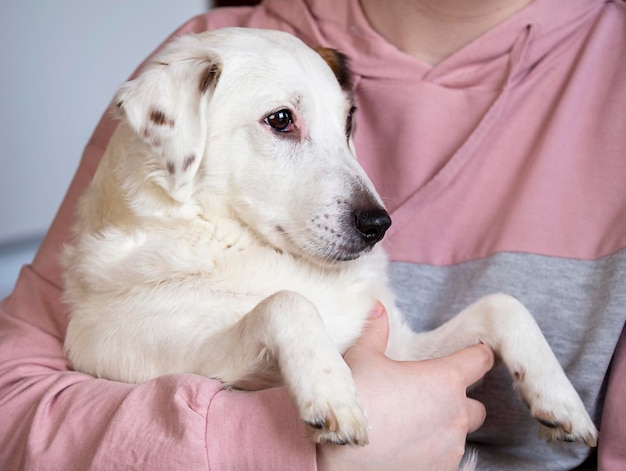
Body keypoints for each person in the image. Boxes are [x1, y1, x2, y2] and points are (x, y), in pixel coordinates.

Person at [1, 0, 624, 469]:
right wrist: (284, 452)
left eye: (346, 126)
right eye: (280, 123)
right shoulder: (211, 52)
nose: (371, 210)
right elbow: (13, 401)